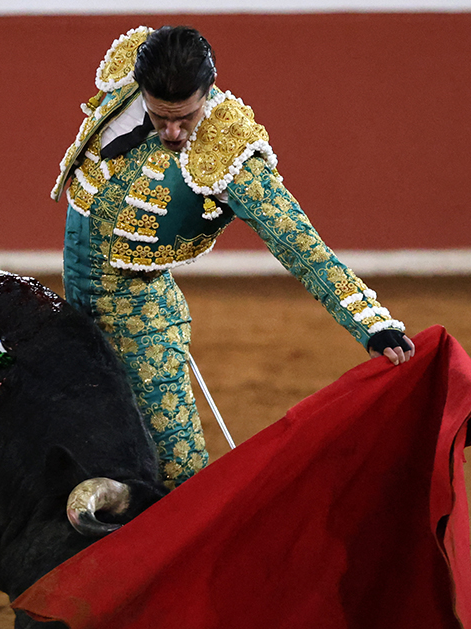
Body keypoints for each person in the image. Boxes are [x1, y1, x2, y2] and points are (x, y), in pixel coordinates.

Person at [53, 25, 415, 487]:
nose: (171, 131)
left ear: (209, 89)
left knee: (178, 475)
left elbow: (298, 243)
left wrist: (372, 324)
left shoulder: (228, 150)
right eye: (160, 116)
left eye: (184, 118)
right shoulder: (126, 84)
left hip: (142, 327)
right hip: (74, 312)